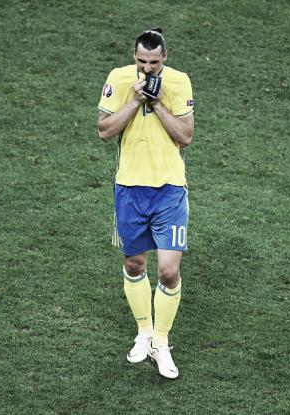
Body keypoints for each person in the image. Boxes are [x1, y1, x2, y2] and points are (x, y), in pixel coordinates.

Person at [96, 28, 194, 379]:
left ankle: (161, 342)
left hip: (169, 190)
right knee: (135, 266)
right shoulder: (120, 79)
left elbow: (185, 135)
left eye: (154, 62)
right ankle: (144, 333)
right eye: (141, 61)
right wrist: (136, 101)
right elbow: (105, 131)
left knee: (169, 271)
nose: (147, 68)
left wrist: (157, 102)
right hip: (130, 190)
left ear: (164, 58)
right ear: (133, 57)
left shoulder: (179, 82)